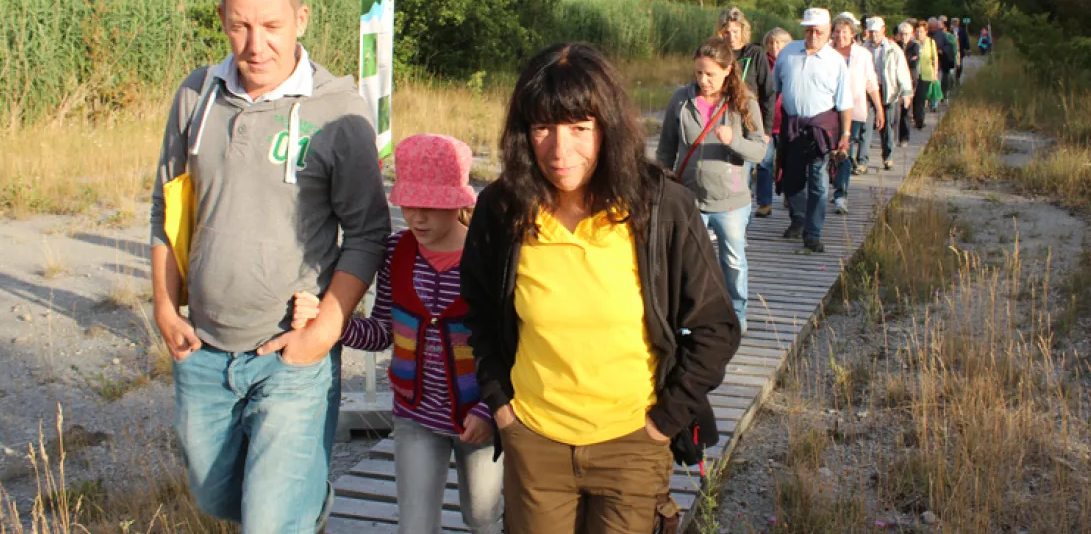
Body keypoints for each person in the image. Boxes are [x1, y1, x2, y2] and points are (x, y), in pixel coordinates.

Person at [149, 0, 390, 532]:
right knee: (217, 499)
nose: (256, 45)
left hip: (291, 358)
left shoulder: (338, 111)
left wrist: (324, 330)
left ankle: (298, 507)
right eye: (240, 26)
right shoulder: (197, 95)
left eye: (272, 26)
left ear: (301, 19)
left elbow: (368, 232)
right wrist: (164, 307)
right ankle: (307, 503)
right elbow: (166, 207)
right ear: (222, 19)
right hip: (203, 351)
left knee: (269, 522)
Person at [461, 43, 741, 534]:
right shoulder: (503, 209)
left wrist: (663, 422)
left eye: (579, 128)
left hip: (633, 444)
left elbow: (715, 327)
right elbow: (480, 312)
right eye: (542, 127)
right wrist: (501, 405)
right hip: (534, 443)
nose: (559, 150)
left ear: (608, 128)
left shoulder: (662, 208)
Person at [293, 134, 502, 534]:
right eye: (409, 204)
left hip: (480, 416)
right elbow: (381, 333)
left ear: (458, 202)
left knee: (483, 516)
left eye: (430, 206)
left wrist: (488, 410)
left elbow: (507, 345)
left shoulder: (487, 257)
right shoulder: (396, 253)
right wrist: (329, 322)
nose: (417, 217)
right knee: (415, 524)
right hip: (415, 415)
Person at [657, 37, 768, 334]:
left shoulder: (745, 102)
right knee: (688, 264)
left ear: (728, 70)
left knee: (733, 262)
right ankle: (688, 320)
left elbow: (760, 151)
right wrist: (662, 181)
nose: (703, 80)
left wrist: (734, 141)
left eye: (710, 74)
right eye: (698, 73)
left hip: (731, 202)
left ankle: (737, 314)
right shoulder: (681, 100)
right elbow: (666, 148)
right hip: (689, 199)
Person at [773, 8, 853, 252]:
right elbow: (774, 89)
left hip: (821, 130)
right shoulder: (788, 53)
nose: (813, 35)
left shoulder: (836, 61)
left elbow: (844, 103)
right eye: (809, 30)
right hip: (792, 127)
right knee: (792, 178)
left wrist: (846, 135)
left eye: (818, 31)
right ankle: (798, 219)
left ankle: (813, 233)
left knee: (818, 182)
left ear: (828, 31)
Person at [829, 14, 881, 215]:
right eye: (837, 31)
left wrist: (879, 108)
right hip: (828, 110)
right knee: (826, 152)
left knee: (846, 151)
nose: (840, 36)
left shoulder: (862, 55)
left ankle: (841, 195)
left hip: (854, 110)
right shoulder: (825, 52)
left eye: (845, 32)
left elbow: (871, 82)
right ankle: (826, 186)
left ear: (852, 34)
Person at [715, 6, 775, 131]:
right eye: (726, 33)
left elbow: (767, 93)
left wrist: (767, 129)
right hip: (723, 117)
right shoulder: (717, 54)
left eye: (735, 32)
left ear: (742, 30)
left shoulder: (755, 53)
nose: (731, 37)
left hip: (750, 118)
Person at [865, 17, 913, 169]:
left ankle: (888, 157)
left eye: (876, 32)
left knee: (887, 125)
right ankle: (862, 161)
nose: (874, 35)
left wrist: (906, 92)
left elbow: (902, 71)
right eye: (871, 32)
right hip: (869, 91)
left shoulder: (893, 49)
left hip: (888, 90)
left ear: (883, 30)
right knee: (866, 126)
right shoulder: (863, 48)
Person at [754, 28, 792, 218]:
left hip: (787, 120)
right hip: (765, 121)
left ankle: (788, 194)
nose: (774, 46)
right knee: (764, 163)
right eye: (771, 42)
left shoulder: (791, 62)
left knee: (787, 162)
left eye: (779, 43)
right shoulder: (761, 64)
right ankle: (764, 202)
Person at [895, 21, 920, 139]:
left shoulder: (915, 46)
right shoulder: (895, 45)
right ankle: (894, 134)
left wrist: (904, 60)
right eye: (902, 34)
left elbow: (914, 61)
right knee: (896, 108)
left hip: (910, 79)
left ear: (911, 34)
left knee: (906, 107)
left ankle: (904, 136)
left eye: (906, 34)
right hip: (896, 79)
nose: (904, 37)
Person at [914, 20, 941, 120]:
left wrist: (935, 73)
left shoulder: (930, 42)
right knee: (915, 97)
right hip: (914, 74)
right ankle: (916, 116)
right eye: (917, 31)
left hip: (926, 74)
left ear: (926, 32)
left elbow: (935, 58)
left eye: (921, 31)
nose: (919, 34)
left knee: (921, 97)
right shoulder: (913, 42)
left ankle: (920, 119)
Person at [928, 17, 954, 106]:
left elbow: (948, 46)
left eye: (934, 27)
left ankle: (940, 96)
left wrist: (942, 50)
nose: (932, 29)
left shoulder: (942, 34)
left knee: (940, 79)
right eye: (930, 28)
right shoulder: (925, 34)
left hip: (940, 60)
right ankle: (931, 98)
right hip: (928, 62)